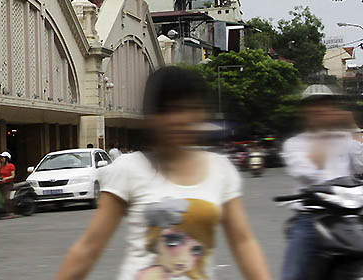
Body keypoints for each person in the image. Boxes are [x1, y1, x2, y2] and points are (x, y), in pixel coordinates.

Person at [53, 66, 271, 280]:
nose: (180, 119)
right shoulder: (129, 168)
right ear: (152, 116)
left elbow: (243, 242)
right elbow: (89, 248)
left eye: (190, 109)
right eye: (169, 110)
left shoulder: (220, 169)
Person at [280, 84, 363, 280]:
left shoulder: (345, 138)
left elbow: (361, 166)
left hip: (348, 216)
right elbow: (309, 174)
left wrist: (353, 126)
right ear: (304, 111)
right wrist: (322, 134)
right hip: (311, 218)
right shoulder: (294, 144)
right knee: (292, 275)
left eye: (325, 104)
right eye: (314, 105)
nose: (320, 109)